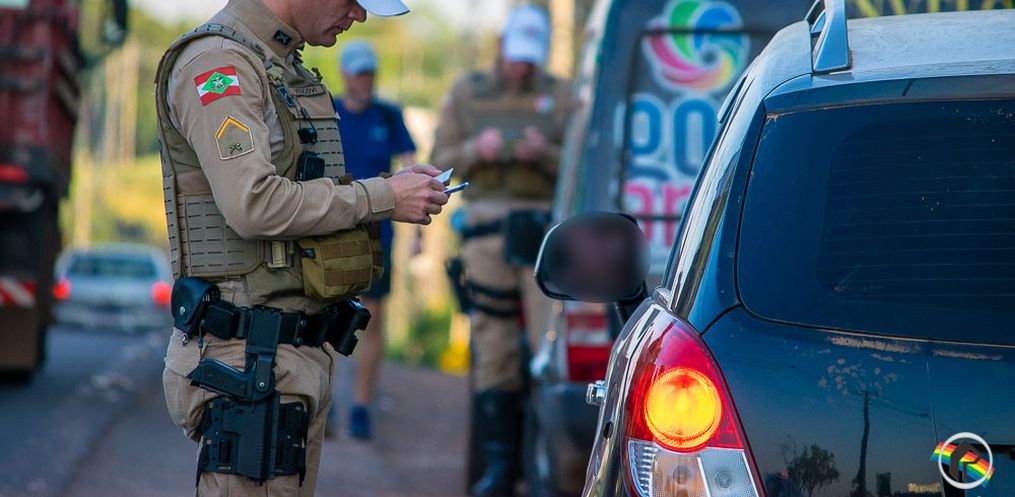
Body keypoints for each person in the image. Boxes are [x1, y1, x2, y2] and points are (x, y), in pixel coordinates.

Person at [154, 0, 448, 495]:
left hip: (284, 357)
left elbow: (300, 187)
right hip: (250, 358)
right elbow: (253, 204)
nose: (358, 16)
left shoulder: (276, 64)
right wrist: (383, 197)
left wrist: (387, 188)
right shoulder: (219, 64)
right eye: (352, 0)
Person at [430, 5, 574, 496]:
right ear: (500, 48)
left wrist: (545, 155)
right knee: (493, 347)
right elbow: (439, 162)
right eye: (516, 57)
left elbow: (582, 162)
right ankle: (497, 465)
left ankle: (545, 461)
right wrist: (477, 149)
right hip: (487, 233)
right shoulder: (466, 93)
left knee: (547, 347)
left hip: (544, 233)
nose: (521, 67)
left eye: (530, 59)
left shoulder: (562, 95)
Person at [331, 40, 417, 439]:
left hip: (378, 233)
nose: (365, 81)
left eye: (370, 74)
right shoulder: (328, 112)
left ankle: (362, 406)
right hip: (333, 230)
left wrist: (419, 235)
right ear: (346, 75)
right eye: (359, 73)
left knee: (373, 318)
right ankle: (325, 400)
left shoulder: (388, 114)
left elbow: (410, 168)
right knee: (326, 315)